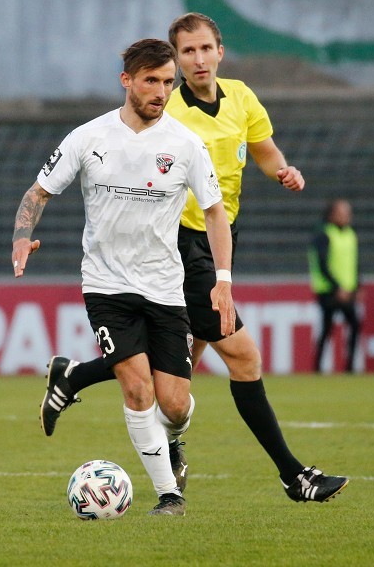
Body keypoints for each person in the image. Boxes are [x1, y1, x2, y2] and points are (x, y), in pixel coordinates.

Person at [40, 13, 349, 504]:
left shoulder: (242, 96)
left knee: (179, 368)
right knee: (244, 357)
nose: (197, 59)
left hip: (222, 239)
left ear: (220, 51)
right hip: (182, 245)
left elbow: (262, 149)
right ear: (176, 61)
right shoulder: (168, 110)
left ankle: (78, 378)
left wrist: (283, 171)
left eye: (205, 49)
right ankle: (295, 476)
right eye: (186, 52)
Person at [13, 38, 236, 516]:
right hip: (106, 285)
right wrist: (20, 235)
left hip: (164, 286)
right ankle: (169, 496)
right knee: (137, 387)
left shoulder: (185, 144)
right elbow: (38, 193)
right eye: (152, 80)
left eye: (168, 82)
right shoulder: (88, 137)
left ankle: (171, 440)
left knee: (175, 404)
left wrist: (223, 279)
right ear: (127, 81)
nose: (161, 90)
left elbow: (216, 214)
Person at [308, 198, 361, 374]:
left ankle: (350, 367)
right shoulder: (324, 234)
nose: (346, 216)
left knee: (354, 325)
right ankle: (317, 368)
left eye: (347, 213)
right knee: (327, 328)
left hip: (348, 290)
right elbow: (322, 264)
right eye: (342, 213)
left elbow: (355, 263)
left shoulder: (350, 235)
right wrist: (337, 287)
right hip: (329, 291)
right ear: (331, 215)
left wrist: (358, 286)